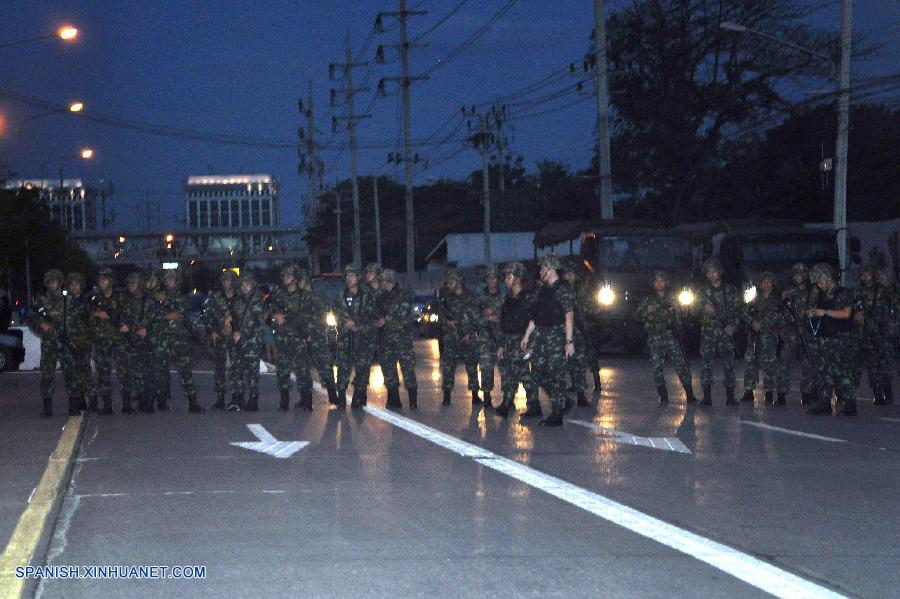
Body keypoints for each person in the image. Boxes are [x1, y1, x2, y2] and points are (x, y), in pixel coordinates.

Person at [520, 254, 575, 426]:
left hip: (556, 336)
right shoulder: (542, 290)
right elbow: (535, 317)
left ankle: (557, 414)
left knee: (556, 375)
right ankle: (562, 402)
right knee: (538, 374)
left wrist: (569, 341)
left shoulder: (563, 290)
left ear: (550, 269)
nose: (541, 271)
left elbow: (569, 316)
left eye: (543, 268)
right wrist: (527, 336)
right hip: (541, 337)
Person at [634, 270, 697, 404]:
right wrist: (647, 311)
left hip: (671, 336)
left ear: (666, 282)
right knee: (657, 368)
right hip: (655, 337)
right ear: (653, 284)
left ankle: (690, 394)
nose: (659, 283)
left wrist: (679, 308)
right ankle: (663, 396)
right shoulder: (648, 299)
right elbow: (636, 316)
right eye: (656, 281)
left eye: (662, 280)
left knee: (681, 365)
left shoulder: (674, 298)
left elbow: (687, 314)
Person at [806, 263, 856, 416]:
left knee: (843, 371)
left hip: (840, 338)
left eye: (821, 280)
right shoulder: (821, 295)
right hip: (825, 337)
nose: (820, 284)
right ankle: (825, 403)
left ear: (828, 278)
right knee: (823, 371)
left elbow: (846, 314)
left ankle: (850, 405)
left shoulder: (842, 293)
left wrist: (825, 312)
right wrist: (814, 313)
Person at [693, 257, 742, 406]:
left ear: (720, 272)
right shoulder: (702, 292)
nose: (711, 275)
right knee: (706, 365)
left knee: (729, 364)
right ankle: (707, 397)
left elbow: (739, 310)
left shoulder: (730, 290)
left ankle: (730, 397)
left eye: (714, 271)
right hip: (708, 333)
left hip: (726, 333)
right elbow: (692, 311)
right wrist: (704, 309)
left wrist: (733, 325)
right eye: (708, 272)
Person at [32, 269, 78, 417]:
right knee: (47, 375)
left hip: (65, 342)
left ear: (59, 282)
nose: (52, 284)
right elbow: (31, 319)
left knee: (71, 373)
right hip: (49, 344)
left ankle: (74, 407)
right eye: (49, 282)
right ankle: (47, 409)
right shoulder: (41, 301)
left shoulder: (67, 299)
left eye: (54, 281)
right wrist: (41, 326)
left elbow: (76, 319)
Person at [157, 270, 204, 413]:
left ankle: (193, 403)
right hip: (163, 339)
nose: (168, 281)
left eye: (171, 279)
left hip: (179, 340)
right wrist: (167, 314)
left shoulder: (182, 298)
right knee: (161, 372)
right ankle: (161, 403)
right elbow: (154, 314)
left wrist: (165, 312)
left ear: (177, 281)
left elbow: (178, 314)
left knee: (185, 372)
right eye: (166, 279)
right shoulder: (158, 297)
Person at [495, 262, 537, 418]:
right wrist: (501, 345)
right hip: (509, 341)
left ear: (517, 278)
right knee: (514, 373)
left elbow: (534, 321)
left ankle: (529, 404)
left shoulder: (528, 298)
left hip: (522, 340)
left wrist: (530, 344)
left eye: (509, 276)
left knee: (521, 373)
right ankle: (509, 403)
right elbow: (504, 323)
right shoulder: (508, 298)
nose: (506, 280)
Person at [269, 264, 312, 411]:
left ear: (294, 278)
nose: (285, 278)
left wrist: (284, 317)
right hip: (282, 338)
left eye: (288, 275)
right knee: (282, 370)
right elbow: (271, 309)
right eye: (284, 276)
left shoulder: (303, 295)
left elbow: (307, 315)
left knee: (302, 370)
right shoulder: (279, 294)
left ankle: (306, 401)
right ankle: (284, 401)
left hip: (298, 338)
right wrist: (275, 315)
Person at [375, 269, 418, 409]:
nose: (381, 283)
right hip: (386, 339)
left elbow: (402, 312)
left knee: (408, 369)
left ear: (389, 281)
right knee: (388, 371)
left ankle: (413, 402)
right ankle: (394, 399)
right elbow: (376, 314)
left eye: (383, 280)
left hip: (402, 339)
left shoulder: (403, 295)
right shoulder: (380, 297)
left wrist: (385, 320)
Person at [851, 264, 894, 405]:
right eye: (863, 273)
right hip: (865, 333)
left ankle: (888, 393)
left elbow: (888, 306)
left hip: (881, 332)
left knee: (884, 364)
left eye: (868, 273)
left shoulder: (881, 290)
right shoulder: (859, 291)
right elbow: (853, 308)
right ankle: (878, 395)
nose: (866, 275)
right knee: (871, 365)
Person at [741, 272, 787, 405]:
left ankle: (769, 392)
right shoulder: (754, 298)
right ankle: (749, 391)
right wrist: (752, 322)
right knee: (750, 362)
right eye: (764, 282)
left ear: (773, 283)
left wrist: (764, 324)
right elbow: (744, 312)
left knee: (769, 364)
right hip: (754, 336)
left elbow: (781, 317)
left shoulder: (777, 299)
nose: (766, 284)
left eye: (769, 282)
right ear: (760, 284)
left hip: (770, 336)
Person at [437, 269, 481, 406]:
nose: (448, 284)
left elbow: (478, 318)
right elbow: (441, 317)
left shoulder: (471, 297)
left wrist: (470, 332)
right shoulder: (446, 298)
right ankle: (447, 396)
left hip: (468, 336)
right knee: (448, 366)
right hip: (451, 337)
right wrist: (447, 322)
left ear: (458, 282)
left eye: (451, 281)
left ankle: (475, 395)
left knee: (472, 366)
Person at [334, 264, 375, 410]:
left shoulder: (366, 296)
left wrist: (355, 322)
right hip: (345, 338)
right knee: (343, 368)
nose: (349, 278)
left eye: (352, 276)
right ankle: (342, 399)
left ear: (358, 277)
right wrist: (345, 325)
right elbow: (336, 314)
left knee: (362, 369)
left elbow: (370, 313)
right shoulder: (341, 297)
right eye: (346, 276)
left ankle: (357, 396)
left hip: (361, 337)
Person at [297, 269, 341, 406]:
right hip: (302, 337)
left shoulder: (317, 297)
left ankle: (333, 395)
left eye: (300, 281)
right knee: (302, 368)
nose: (299, 284)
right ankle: (305, 398)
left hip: (318, 337)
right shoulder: (298, 299)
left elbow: (327, 312)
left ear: (306, 282)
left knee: (325, 367)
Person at [89, 268, 128, 415]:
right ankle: (106, 405)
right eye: (100, 279)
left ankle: (126, 403)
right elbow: (84, 311)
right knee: (103, 373)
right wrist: (96, 313)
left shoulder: (120, 297)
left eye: (105, 279)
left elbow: (129, 313)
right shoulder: (94, 298)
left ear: (111, 281)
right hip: (101, 340)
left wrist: (126, 326)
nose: (102, 282)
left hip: (119, 339)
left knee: (123, 371)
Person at [200, 270, 241, 410]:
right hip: (220, 336)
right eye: (223, 280)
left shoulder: (239, 297)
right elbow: (207, 316)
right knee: (219, 367)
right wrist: (211, 332)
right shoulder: (215, 297)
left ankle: (236, 398)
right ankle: (220, 398)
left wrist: (237, 328)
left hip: (235, 337)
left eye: (228, 280)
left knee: (236, 367)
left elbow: (245, 316)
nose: (225, 282)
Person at [780, 263, 819, 406]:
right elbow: (783, 311)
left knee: (809, 363)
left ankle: (807, 392)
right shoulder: (789, 292)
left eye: (801, 274)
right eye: (796, 274)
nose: (798, 277)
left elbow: (815, 310)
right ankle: (781, 393)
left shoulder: (812, 292)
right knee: (786, 362)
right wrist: (792, 322)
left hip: (807, 331)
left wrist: (807, 324)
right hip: (791, 331)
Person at [227, 273, 267, 411]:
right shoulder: (238, 301)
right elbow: (235, 319)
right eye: (242, 284)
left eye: (247, 284)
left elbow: (258, 323)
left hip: (252, 342)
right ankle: (238, 398)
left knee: (252, 372)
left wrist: (242, 333)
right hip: (238, 340)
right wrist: (233, 329)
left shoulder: (257, 302)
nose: (244, 287)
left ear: (252, 285)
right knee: (236, 369)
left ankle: (253, 399)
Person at [119, 271, 156, 414]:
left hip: (146, 342)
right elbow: (122, 320)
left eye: (133, 283)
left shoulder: (149, 301)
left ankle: (148, 402)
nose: (130, 286)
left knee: (148, 373)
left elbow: (153, 319)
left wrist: (145, 329)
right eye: (128, 284)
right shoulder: (125, 301)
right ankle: (132, 402)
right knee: (129, 373)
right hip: (130, 341)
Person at [560, 259, 594, 408]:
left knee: (580, 364)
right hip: (565, 332)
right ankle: (561, 397)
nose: (569, 276)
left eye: (571, 273)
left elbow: (593, 308)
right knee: (562, 365)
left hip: (580, 332)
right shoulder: (561, 291)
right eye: (567, 273)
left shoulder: (582, 291)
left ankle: (581, 395)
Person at [63, 272, 94, 412]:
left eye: (77, 284)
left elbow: (92, 320)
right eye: (72, 284)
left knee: (85, 370)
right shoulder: (65, 302)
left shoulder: (88, 301)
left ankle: (92, 400)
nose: (74, 287)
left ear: (81, 285)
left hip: (84, 341)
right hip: (69, 341)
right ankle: (79, 399)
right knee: (73, 372)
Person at [476, 264, 504, 409]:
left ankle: (508, 398)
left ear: (498, 279)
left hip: (502, 337)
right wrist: (488, 318)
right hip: (486, 338)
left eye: (494, 278)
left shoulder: (504, 296)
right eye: (489, 278)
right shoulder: (480, 298)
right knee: (486, 367)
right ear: (486, 280)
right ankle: (486, 397)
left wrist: (497, 316)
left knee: (505, 368)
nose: (491, 280)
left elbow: (510, 316)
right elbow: (476, 320)